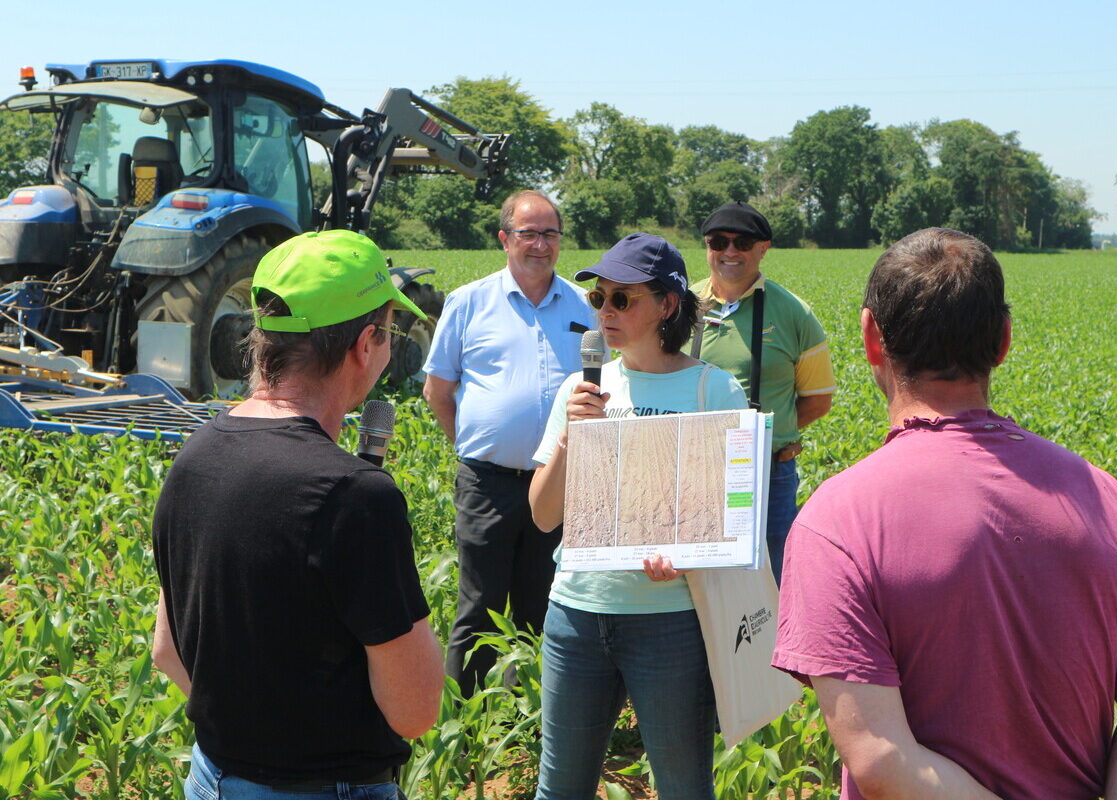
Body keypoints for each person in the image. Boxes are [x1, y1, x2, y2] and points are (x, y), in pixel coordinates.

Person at [771, 227, 1117, 799]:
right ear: (1003, 339)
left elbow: (881, 756)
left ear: (872, 337)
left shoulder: (838, 521)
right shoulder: (1106, 500)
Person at [151, 230, 444, 799]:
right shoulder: (356, 494)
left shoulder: (193, 456)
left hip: (211, 777)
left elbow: (167, 650)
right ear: (366, 344)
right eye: (388, 333)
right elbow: (415, 710)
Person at [528, 233, 747, 800]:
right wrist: (575, 438)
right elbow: (543, 515)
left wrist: (686, 557)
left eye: (622, 299)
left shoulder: (713, 390)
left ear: (667, 304)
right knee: (560, 785)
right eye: (599, 299)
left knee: (681, 785)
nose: (605, 312)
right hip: (575, 614)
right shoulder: (583, 391)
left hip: (668, 620)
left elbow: (732, 520)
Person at [422, 190, 596, 694]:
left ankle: (538, 709)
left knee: (547, 601)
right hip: (488, 482)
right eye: (528, 233)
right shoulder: (469, 301)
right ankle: (469, 718)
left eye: (550, 234)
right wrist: (475, 447)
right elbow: (438, 389)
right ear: (505, 239)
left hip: (561, 482)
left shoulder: (585, 306)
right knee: (480, 604)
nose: (540, 244)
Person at [692, 201, 835, 584]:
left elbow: (818, 399)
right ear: (707, 247)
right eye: (718, 241)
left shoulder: (795, 314)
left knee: (772, 581)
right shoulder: (680, 308)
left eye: (742, 242)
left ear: (764, 248)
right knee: (698, 583)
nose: (730, 251)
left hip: (768, 474)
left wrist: (770, 435)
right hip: (692, 471)